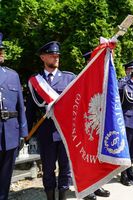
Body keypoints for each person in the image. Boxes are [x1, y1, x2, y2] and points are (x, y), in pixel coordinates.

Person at [26, 41, 76, 200]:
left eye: (57, 55)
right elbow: (31, 109)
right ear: (42, 57)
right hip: (45, 131)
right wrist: (26, 132)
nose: (56, 57)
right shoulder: (35, 81)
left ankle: (63, 196)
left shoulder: (69, 78)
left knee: (65, 167)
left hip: (65, 131)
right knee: (47, 168)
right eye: (52, 55)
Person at [0, 33, 28, 200]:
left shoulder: (12, 75)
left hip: (10, 132)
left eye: (2, 49)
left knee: (5, 177)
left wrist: (23, 132)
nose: (1, 52)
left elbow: (20, 106)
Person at [81, 51, 110, 199]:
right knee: (87, 157)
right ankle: (87, 188)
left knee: (98, 157)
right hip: (86, 125)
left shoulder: (102, 79)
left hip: (100, 122)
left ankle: (98, 185)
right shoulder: (81, 79)